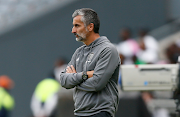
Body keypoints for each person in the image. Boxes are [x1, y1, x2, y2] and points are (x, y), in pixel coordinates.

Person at [59, 8, 120, 117]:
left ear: (90, 27)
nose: (73, 30)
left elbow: (97, 83)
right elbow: (64, 81)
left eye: (77, 26)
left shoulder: (107, 50)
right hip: (79, 113)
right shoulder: (79, 52)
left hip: (99, 112)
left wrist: (74, 78)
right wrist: (85, 75)